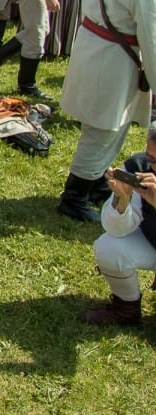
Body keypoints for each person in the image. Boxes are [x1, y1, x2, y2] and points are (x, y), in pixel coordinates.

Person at [58, 0, 156, 222]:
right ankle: (74, 196)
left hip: (92, 48)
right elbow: (152, 39)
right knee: (103, 129)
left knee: (109, 125)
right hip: (115, 59)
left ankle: (96, 179)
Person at [80, 127, 156, 326]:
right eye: (151, 158)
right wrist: (123, 199)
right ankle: (126, 309)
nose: (153, 167)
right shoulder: (138, 166)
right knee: (109, 247)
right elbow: (115, 229)